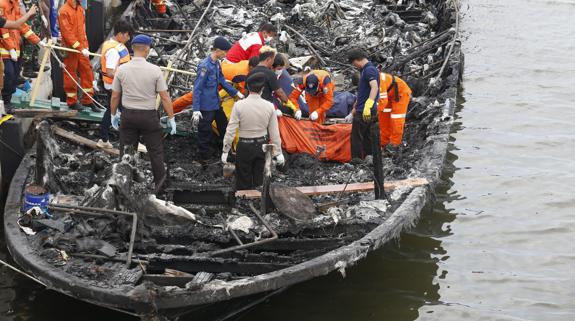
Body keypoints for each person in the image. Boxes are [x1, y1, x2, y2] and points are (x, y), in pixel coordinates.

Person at [110, 35, 176, 190]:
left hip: (129, 116)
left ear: (132, 48)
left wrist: (113, 114)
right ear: (147, 49)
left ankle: (125, 186)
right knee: (156, 152)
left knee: (127, 152)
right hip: (148, 117)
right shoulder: (155, 71)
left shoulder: (122, 69)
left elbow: (115, 95)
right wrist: (171, 118)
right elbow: (165, 97)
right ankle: (161, 187)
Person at [221, 72, 284, 190]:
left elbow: (231, 130)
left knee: (243, 181)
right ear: (262, 89)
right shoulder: (269, 106)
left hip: (244, 146)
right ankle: (258, 203)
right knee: (260, 181)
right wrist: (278, 152)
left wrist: (226, 149)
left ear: (248, 87)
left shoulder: (238, 105)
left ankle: (243, 204)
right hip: (262, 146)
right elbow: (274, 133)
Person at [192, 36, 244, 161]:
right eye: (225, 52)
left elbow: (222, 81)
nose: (226, 55)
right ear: (218, 50)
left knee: (224, 127)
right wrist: (196, 109)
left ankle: (226, 152)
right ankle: (203, 159)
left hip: (216, 104)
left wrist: (236, 92)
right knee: (204, 132)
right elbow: (197, 88)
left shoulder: (217, 64)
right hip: (205, 107)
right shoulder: (205, 66)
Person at [97, 19, 133, 149]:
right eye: (128, 35)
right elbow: (111, 71)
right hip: (115, 86)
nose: (128, 38)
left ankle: (104, 138)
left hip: (114, 86)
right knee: (127, 111)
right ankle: (130, 141)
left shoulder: (113, 44)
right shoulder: (113, 51)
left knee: (111, 110)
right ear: (121, 34)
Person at [0, 0, 41, 108]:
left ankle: (8, 99)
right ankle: (6, 102)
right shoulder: (2, 4)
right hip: (4, 48)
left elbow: (21, 25)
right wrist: (10, 48)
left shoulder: (15, 4)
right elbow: (4, 28)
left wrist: (37, 40)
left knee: (15, 74)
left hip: (15, 46)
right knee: (8, 74)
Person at [58, 0, 98, 111]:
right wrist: (80, 47)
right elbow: (67, 33)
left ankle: (88, 100)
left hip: (81, 48)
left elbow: (83, 31)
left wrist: (85, 46)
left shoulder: (80, 9)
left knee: (87, 71)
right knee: (70, 75)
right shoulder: (64, 11)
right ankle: (72, 102)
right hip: (70, 49)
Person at [247, 47, 299, 118]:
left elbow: (246, 91)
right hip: (266, 109)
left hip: (251, 108)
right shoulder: (270, 74)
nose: (273, 62)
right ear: (268, 59)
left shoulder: (250, 72)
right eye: (273, 59)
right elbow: (280, 93)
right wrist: (293, 107)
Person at [347, 48, 380, 160]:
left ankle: (356, 161)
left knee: (356, 137)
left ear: (357, 60)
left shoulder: (369, 70)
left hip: (365, 110)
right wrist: (352, 112)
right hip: (363, 109)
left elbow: (374, 87)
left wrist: (368, 105)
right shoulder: (365, 71)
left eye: (354, 63)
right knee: (367, 137)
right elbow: (361, 94)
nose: (354, 66)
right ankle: (369, 158)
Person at [378, 71, 412, 150]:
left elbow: (382, 101)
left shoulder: (378, 81)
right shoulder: (368, 81)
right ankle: (384, 141)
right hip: (389, 94)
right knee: (383, 118)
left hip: (400, 93)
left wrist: (373, 113)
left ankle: (394, 144)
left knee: (396, 119)